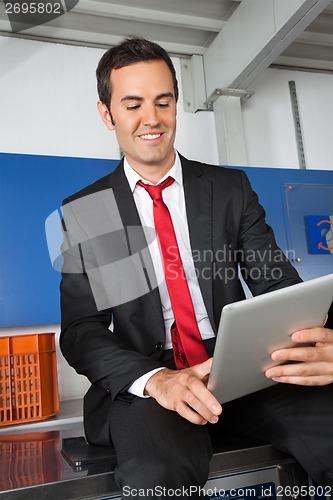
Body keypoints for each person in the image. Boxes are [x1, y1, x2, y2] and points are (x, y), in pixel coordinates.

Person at [60, 36, 333, 498]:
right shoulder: (89, 210)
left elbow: (278, 285)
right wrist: (158, 381)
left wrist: (315, 339)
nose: (152, 119)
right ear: (107, 114)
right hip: (148, 377)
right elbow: (81, 329)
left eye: (163, 102)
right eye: (133, 104)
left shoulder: (229, 189)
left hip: (239, 364)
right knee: (157, 475)